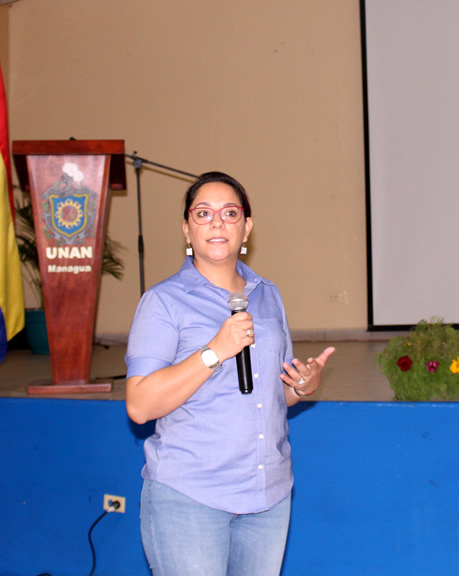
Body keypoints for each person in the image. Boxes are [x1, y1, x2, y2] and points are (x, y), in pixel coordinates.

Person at [124, 171, 335, 576]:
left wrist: (302, 385)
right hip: (190, 495)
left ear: (246, 227)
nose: (216, 222)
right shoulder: (163, 302)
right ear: (187, 229)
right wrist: (214, 351)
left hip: (267, 495)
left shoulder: (267, 293)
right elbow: (140, 405)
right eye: (203, 213)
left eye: (229, 213)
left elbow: (273, 393)